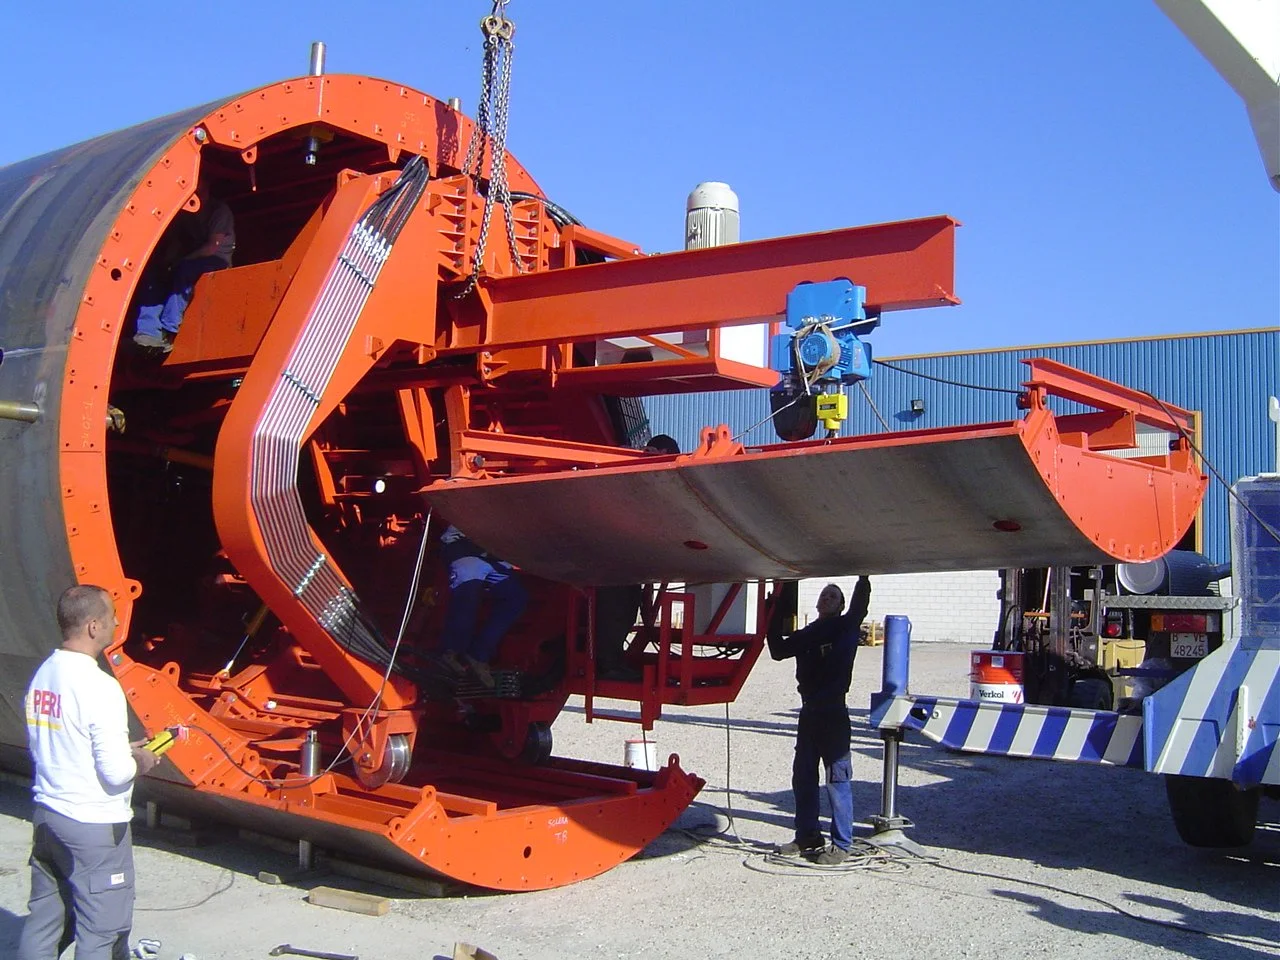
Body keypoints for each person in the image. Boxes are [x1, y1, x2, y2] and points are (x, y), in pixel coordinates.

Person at [18, 584, 160, 960]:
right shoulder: (100, 686)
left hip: (49, 816)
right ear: (94, 626)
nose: (117, 621)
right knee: (103, 931)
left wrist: (118, 750)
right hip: (92, 828)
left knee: (44, 923)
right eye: (112, 615)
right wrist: (141, 760)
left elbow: (63, 741)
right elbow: (116, 774)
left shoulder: (45, 674)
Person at [767, 576, 871, 865]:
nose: (826, 599)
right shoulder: (808, 634)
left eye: (833, 596)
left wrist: (864, 576)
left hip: (833, 713)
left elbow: (860, 607)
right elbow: (778, 651)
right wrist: (771, 611)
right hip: (809, 712)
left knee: (837, 778)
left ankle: (842, 844)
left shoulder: (845, 628)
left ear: (841, 606)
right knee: (803, 776)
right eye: (824, 595)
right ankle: (807, 836)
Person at [132, 179, 235, 353]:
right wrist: (167, 263)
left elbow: (212, 247)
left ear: (206, 190)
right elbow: (176, 242)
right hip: (191, 257)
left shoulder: (220, 211)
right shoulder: (185, 213)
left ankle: (169, 327)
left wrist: (181, 260)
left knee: (185, 269)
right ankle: (148, 331)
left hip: (217, 260)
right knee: (156, 273)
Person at [438, 524, 527, 687]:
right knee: (468, 589)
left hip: (493, 555)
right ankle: (451, 652)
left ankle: (478, 655)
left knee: (516, 598)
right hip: (463, 546)